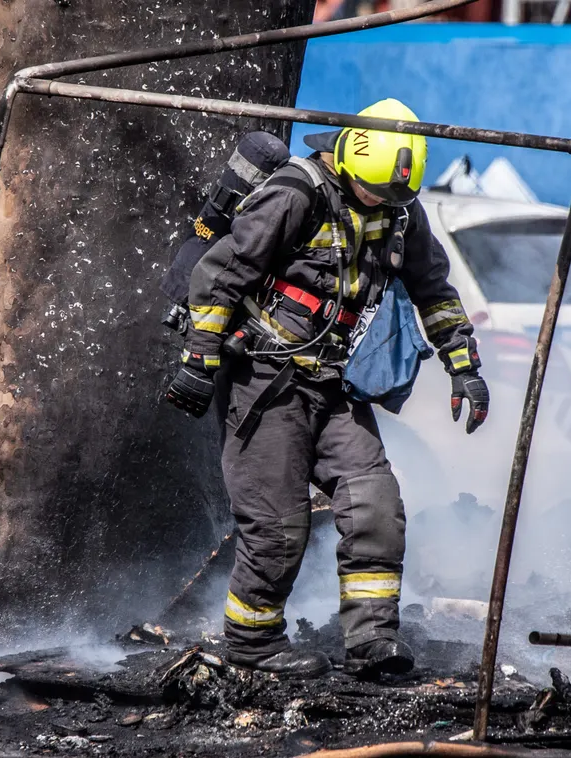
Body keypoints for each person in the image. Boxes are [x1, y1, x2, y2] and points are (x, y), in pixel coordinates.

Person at [163, 98, 490, 679]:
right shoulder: (296, 194)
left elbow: (434, 291)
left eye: (391, 197)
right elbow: (219, 273)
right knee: (278, 526)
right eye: (371, 192)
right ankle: (252, 644)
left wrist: (464, 366)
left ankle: (372, 643)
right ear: (348, 161)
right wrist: (199, 359)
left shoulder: (401, 211)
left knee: (376, 504)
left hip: (333, 384)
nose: (380, 205)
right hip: (265, 380)